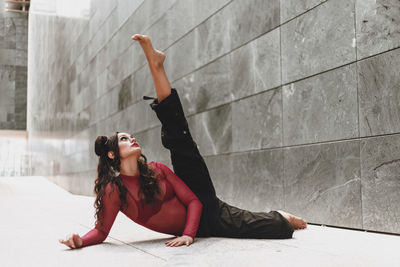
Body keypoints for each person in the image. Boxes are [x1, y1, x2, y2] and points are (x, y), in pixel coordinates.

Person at [59, 34, 307, 249]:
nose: (132, 138)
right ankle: (282, 217)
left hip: (202, 201)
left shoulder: (157, 169)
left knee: (179, 140)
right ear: (112, 154)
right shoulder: (114, 190)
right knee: (271, 226)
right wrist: (79, 239)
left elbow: (193, 201)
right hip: (210, 223)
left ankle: (156, 65)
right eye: (124, 139)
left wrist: (187, 235)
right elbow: (101, 231)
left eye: (130, 135)